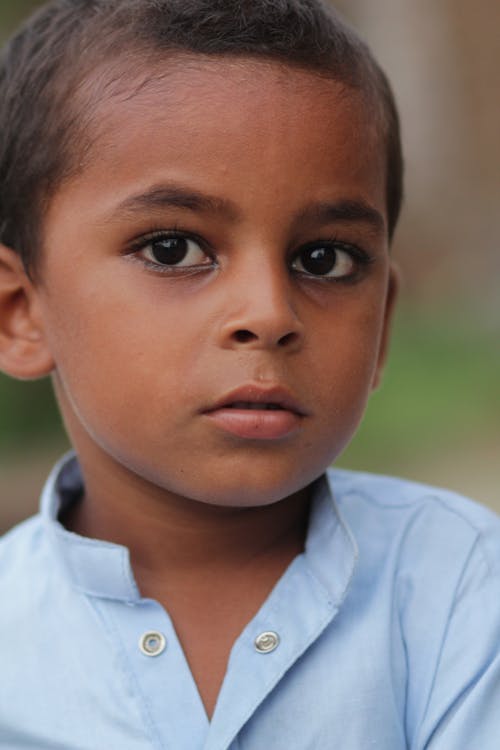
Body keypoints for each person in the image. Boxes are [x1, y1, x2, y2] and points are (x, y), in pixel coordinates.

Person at [0, 1, 498, 747]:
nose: (269, 313)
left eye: (324, 259)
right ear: (20, 314)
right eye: (173, 249)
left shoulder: (462, 588)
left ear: (384, 322)